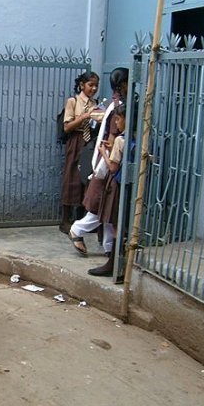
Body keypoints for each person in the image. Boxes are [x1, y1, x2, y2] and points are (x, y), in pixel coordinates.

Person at [69, 68, 129, 258]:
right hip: (109, 164)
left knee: (109, 210)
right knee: (104, 206)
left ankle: (110, 247)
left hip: (107, 163)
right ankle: (78, 230)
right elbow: (111, 139)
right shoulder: (119, 107)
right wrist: (109, 160)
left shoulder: (114, 104)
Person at [87, 103, 131, 278]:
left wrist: (104, 151)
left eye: (119, 119)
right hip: (128, 186)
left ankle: (114, 264)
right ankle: (116, 263)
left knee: (115, 225)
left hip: (116, 186)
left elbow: (112, 167)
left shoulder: (121, 139)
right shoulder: (136, 138)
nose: (117, 123)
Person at [59, 71, 101, 234]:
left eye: (96, 85)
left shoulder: (96, 103)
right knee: (71, 176)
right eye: (91, 85)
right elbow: (67, 126)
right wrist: (85, 116)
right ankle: (65, 219)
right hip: (75, 141)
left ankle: (82, 218)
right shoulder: (73, 101)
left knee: (87, 177)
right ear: (82, 85)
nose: (94, 88)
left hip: (89, 142)